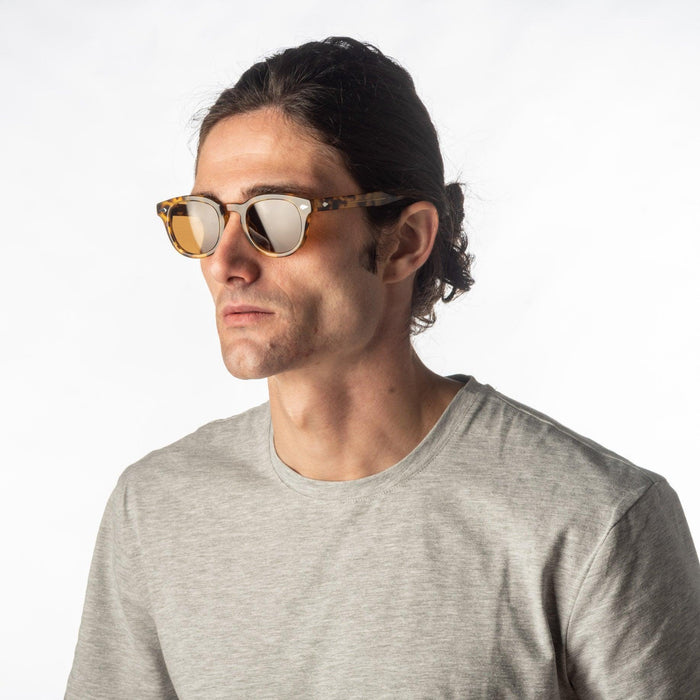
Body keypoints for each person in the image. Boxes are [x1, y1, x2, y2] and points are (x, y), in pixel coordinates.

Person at [66, 37, 700, 699]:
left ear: (403, 242)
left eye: (274, 217)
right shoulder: (156, 508)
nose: (225, 262)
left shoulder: (591, 518)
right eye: (203, 218)